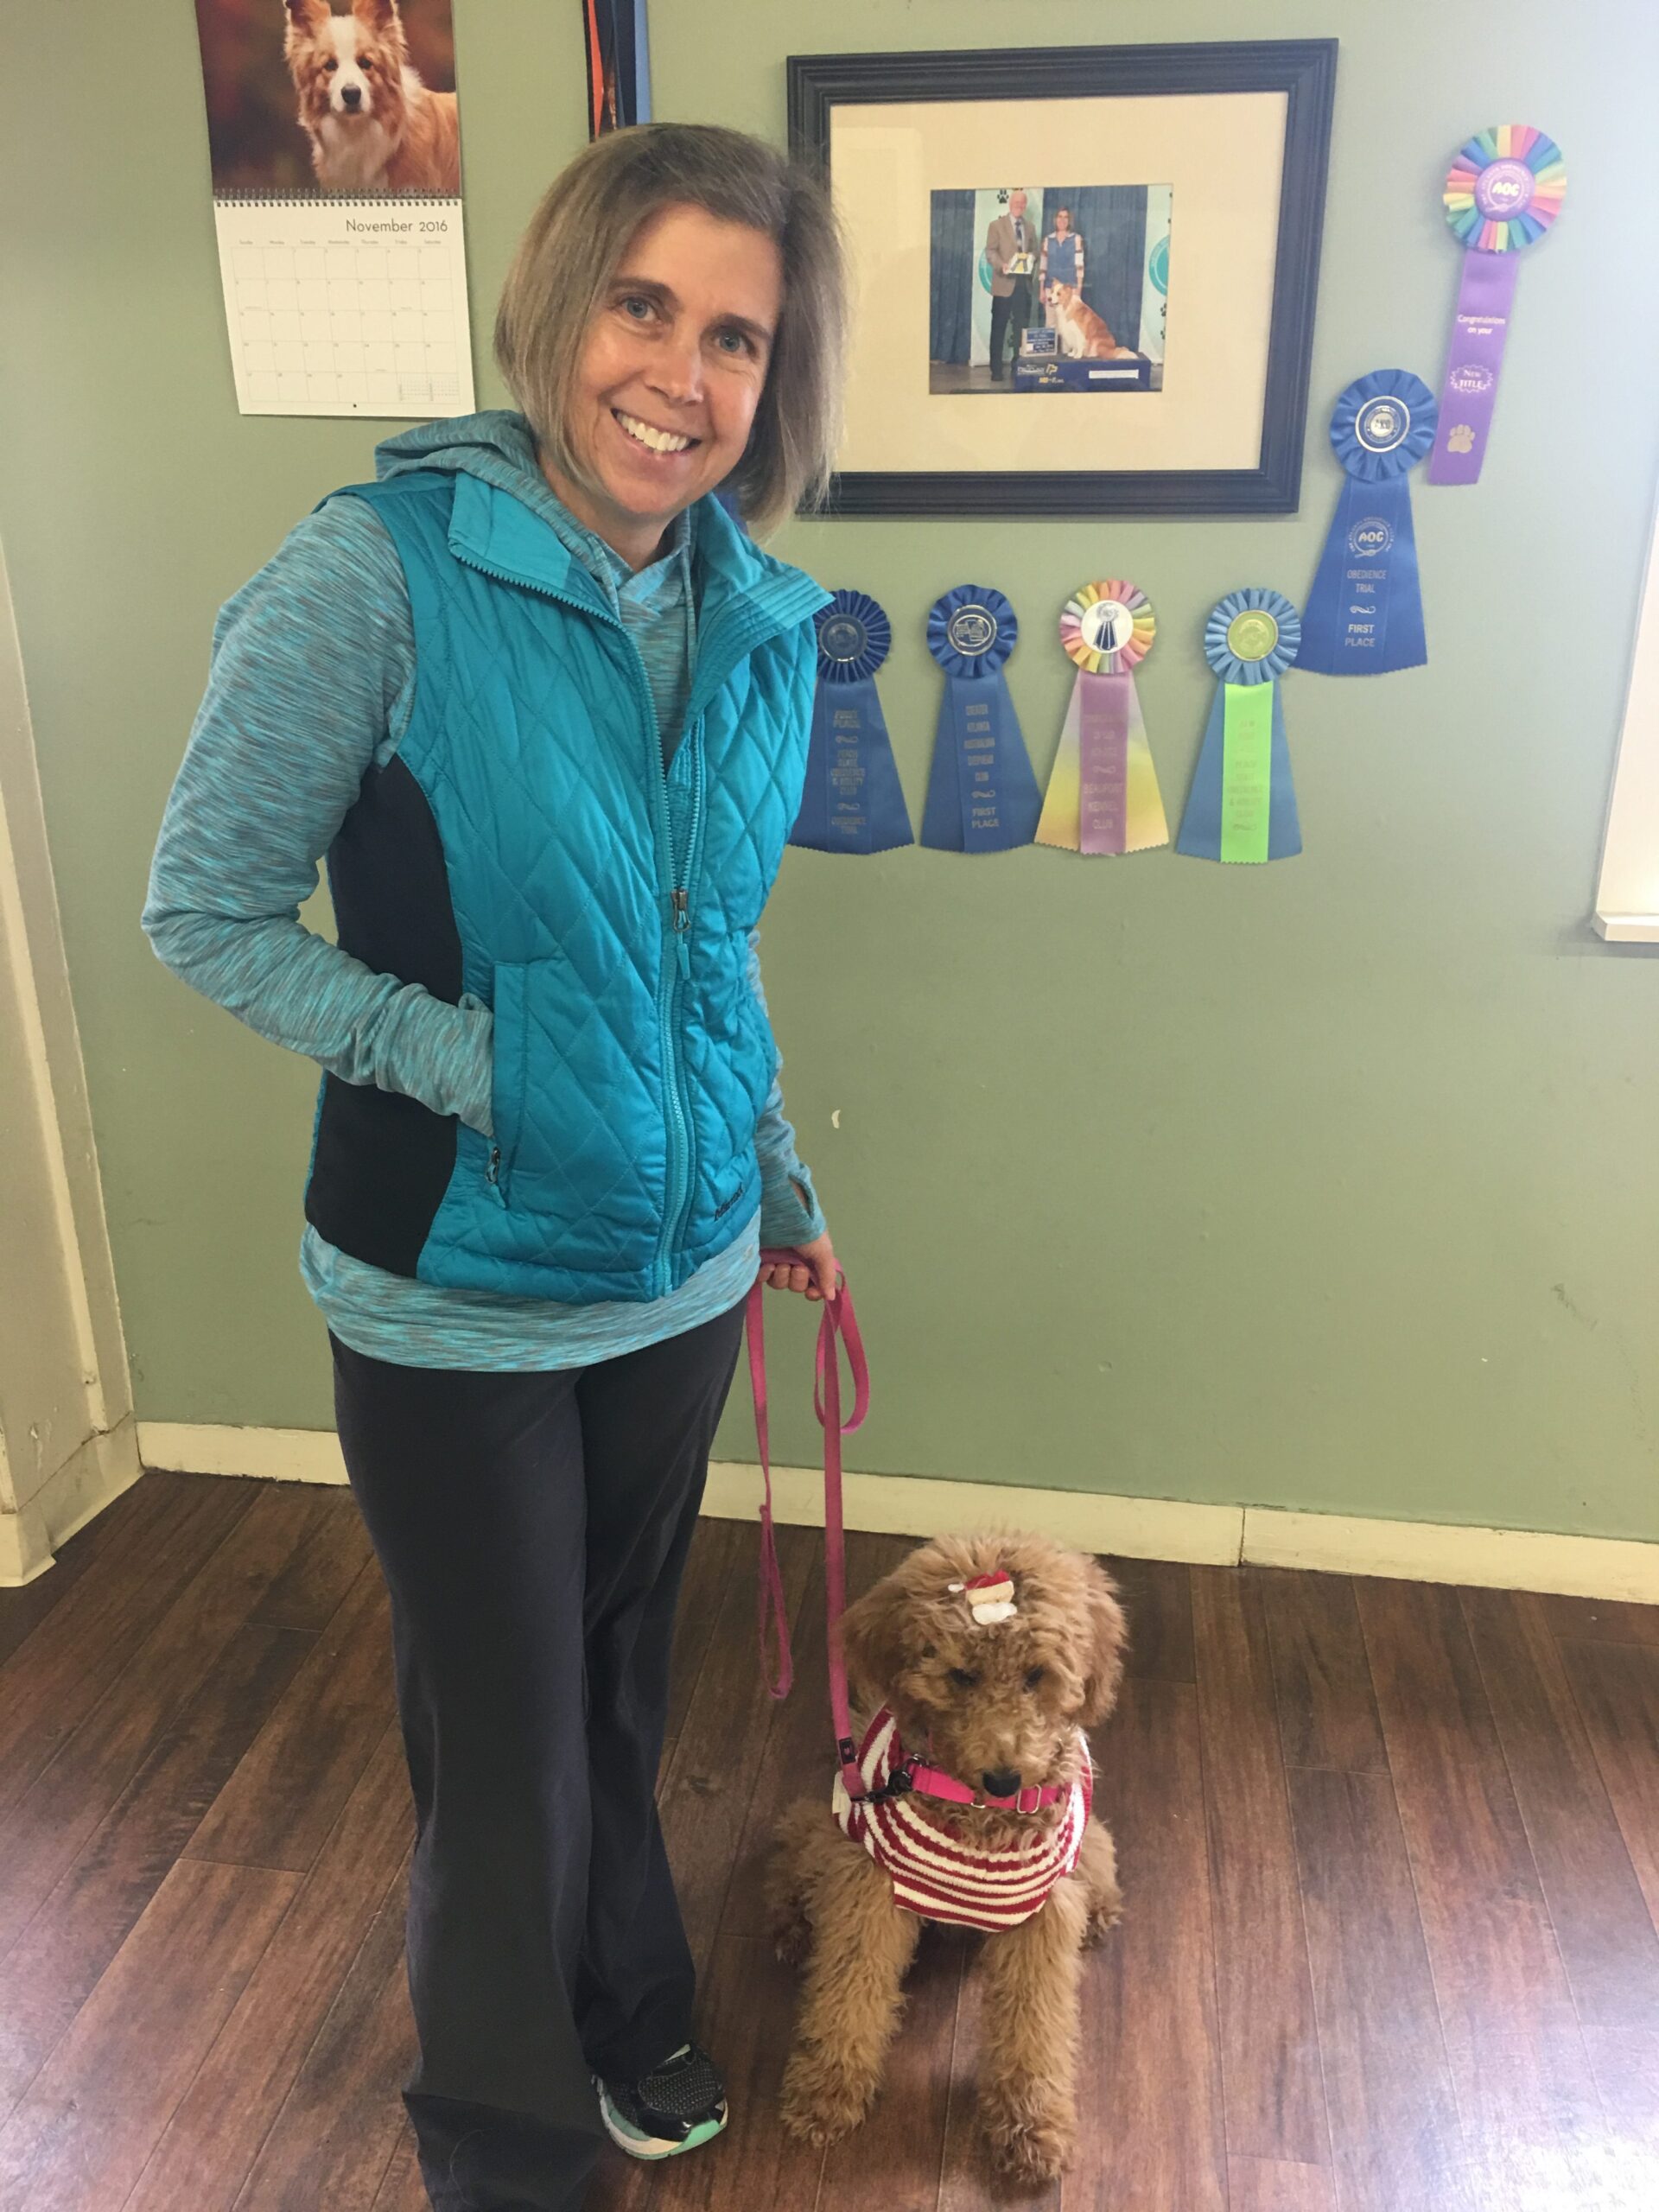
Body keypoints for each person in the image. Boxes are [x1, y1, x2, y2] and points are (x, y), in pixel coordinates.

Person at [143, 122, 849, 2212]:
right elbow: (208, 911)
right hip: (449, 1281)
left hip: (682, 1270)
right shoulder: (371, 573)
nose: (682, 373)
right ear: (558, 307)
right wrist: (480, 1061)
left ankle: (625, 1995)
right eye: (646, 304)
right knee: (505, 1731)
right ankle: (506, 2141)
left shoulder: (751, 612)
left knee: (623, 1674)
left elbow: (703, 952)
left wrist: (774, 1176)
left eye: (736, 336)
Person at [985, 188, 1036, 380]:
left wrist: (1031, 258)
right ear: (1010, 204)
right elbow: (990, 252)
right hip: (1003, 285)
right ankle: (996, 370)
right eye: (1017, 203)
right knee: (998, 328)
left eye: (1023, 204)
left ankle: (1018, 366)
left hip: (1023, 286)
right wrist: (1002, 265)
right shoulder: (996, 225)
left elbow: (1035, 251)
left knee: (1020, 329)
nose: (1020, 207)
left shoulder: (1030, 227)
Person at [1039, 204, 1085, 327]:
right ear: (1055, 219)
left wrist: (1078, 291)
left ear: (1069, 220)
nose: (1062, 220)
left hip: (1069, 290)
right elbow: (1043, 266)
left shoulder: (1076, 239)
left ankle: (1065, 348)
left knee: (1067, 326)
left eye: (1066, 217)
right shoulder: (1048, 240)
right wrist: (1042, 290)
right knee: (1051, 324)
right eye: (1060, 216)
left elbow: (1080, 267)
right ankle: (1051, 348)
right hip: (1051, 289)